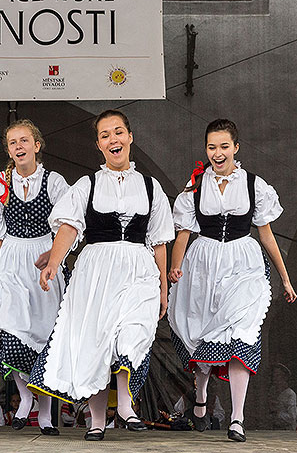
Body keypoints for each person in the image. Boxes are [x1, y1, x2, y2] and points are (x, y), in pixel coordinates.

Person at [30, 110, 175, 441]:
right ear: (99, 144)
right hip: (96, 270)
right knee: (96, 343)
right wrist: (54, 260)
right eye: (106, 135)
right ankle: (97, 421)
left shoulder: (151, 188)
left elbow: (160, 242)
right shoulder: (87, 185)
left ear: (130, 137)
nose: (114, 139)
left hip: (139, 269)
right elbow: (68, 226)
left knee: (134, 329)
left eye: (119, 132)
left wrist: (164, 288)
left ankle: (124, 404)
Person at [167, 119, 297, 442]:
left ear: (236, 148)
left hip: (243, 265)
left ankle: (236, 418)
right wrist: (174, 268)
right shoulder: (195, 186)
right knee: (202, 336)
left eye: (224, 146)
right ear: (206, 150)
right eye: (212, 147)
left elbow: (267, 236)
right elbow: (182, 235)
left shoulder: (254, 186)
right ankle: (200, 398)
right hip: (203, 266)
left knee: (242, 334)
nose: (217, 152)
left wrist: (285, 278)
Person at [0, 119, 69, 435]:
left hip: (44, 256)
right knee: (12, 329)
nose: (18, 147)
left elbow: (67, 226)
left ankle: (44, 412)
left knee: (44, 335)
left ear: (37, 144)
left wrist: (54, 258)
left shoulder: (55, 182)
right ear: (8, 149)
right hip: (11, 260)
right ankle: (25, 398)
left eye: (23, 141)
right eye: (12, 143)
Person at [269, 364, 297, 430]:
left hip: (287, 431)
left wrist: (278, 413)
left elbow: (293, 417)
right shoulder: (272, 392)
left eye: (278, 375)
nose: (275, 378)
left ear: (284, 377)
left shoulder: (290, 394)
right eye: (274, 376)